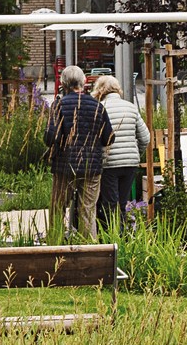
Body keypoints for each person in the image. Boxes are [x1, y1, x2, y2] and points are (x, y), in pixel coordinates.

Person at [48, 63, 110, 235]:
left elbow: (51, 137)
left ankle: (55, 243)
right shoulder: (98, 106)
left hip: (64, 166)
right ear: (84, 81)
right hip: (92, 166)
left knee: (58, 208)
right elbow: (108, 137)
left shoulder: (59, 105)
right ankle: (88, 247)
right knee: (88, 210)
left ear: (63, 83)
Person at [95, 72, 146, 227]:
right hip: (130, 163)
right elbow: (145, 138)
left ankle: (112, 235)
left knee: (110, 204)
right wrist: (135, 154)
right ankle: (123, 235)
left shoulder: (100, 108)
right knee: (122, 203)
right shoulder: (131, 107)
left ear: (100, 90)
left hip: (109, 164)